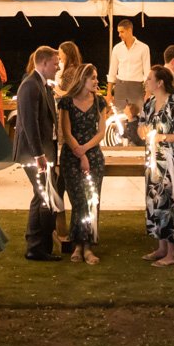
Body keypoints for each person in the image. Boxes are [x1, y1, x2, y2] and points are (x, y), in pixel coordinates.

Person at [131, 65, 174, 266]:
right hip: (154, 163)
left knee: (170, 203)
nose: (146, 82)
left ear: (159, 83)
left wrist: (163, 137)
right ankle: (161, 247)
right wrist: (144, 132)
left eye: (149, 79)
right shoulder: (149, 104)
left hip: (172, 162)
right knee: (156, 202)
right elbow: (140, 128)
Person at [15, 45, 62, 260]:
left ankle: (37, 244)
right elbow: (29, 123)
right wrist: (39, 155)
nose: (58, 66)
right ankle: (35, 247)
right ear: (43, 63)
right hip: (33, 154)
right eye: (55, 63)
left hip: (43, 152)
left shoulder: (43, 85)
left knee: (42, 196)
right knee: (43, 196)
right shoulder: (30, 86)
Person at [56, 63, 106, 264]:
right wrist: (80, 153)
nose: (95, 81)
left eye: (96, 77)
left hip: (93, 155)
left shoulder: (99, 102)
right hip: (71, 156)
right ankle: (78, 244)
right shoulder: (67, 102)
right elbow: (66, 132)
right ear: (82, 79)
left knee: (92, 200)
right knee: (78, 201)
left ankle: (86, 246)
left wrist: (85, 150)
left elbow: (101, 132)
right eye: (92, 78)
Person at [108, 19, 151, 116]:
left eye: (122, 32)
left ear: (129, 30)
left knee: (137, 117)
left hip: (136, 87)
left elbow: (147, 72)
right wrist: (109, 93)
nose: (119, 35)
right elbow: (112, 71)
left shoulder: (144, 48)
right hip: (120, 86)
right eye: (118, 32)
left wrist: (148, 92)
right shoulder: (117, 48)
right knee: (119, 116)